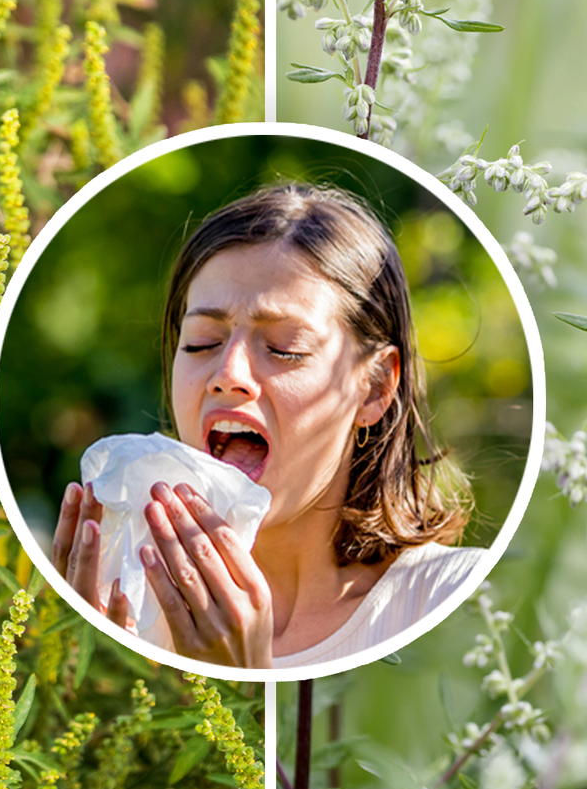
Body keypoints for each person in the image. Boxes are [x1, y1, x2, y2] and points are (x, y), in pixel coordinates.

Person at [51, 183, 486, 668]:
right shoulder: (125, 600)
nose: (228, 377)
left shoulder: (463, 602)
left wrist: (237, 676)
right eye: (200, 342)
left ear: (375, 387)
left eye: (284, 348)